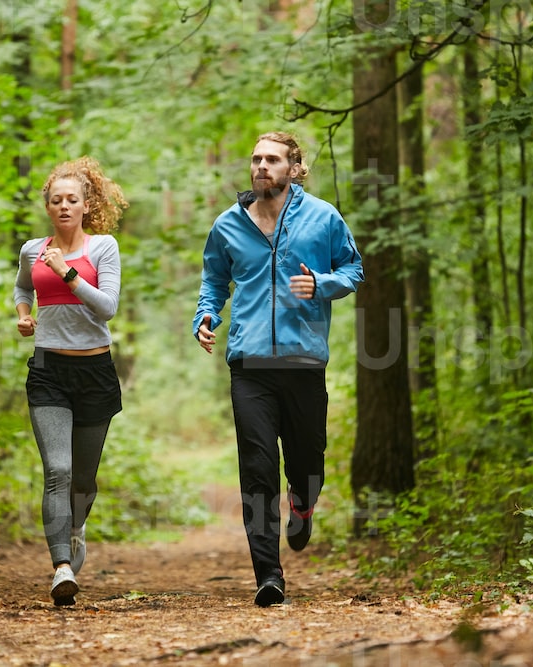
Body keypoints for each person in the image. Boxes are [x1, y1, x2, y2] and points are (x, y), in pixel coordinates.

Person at [192, 132, 364, 607]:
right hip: (249, 366)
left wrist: (323, 283)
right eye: (256, 159)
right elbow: (213, 281)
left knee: (307, 461)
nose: (262, 166)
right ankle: (268, 573)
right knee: (257, 469)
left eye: (272, 159)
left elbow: (353, 269)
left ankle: (303, 505)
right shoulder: (228, 225)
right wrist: (206, 317)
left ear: (294, 168)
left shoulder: (323, 217)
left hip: (304, 360)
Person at [14, 156, 128, 606]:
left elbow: (108, 307)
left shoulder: (103, 248)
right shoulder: (31, 250)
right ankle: (61, 566)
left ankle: (76, 528)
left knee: (83, 480)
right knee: (57, 472)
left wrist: (67, 273)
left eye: (72, 200)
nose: (63, 206)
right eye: (56, 200)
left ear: (86, 205)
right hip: (48, 372)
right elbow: (23, 288)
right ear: (48, 206)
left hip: (95, 372)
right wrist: (25, 316)